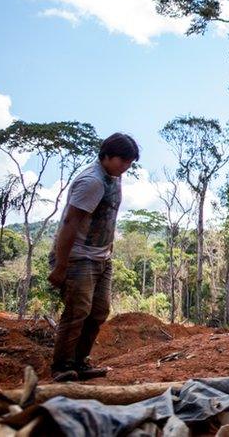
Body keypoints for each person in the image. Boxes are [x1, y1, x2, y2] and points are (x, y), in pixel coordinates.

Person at [47, 133, 139, 382]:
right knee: (77, 311)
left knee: (99, 311)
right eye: (123, 161)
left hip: (101, 257)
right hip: (78, 257)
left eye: (130, 162)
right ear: (106, 156)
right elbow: (69, 222)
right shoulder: (92, 181)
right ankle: (62, 367)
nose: (126, 167)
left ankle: (80, 362)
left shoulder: (113, 176)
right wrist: (61, 265)